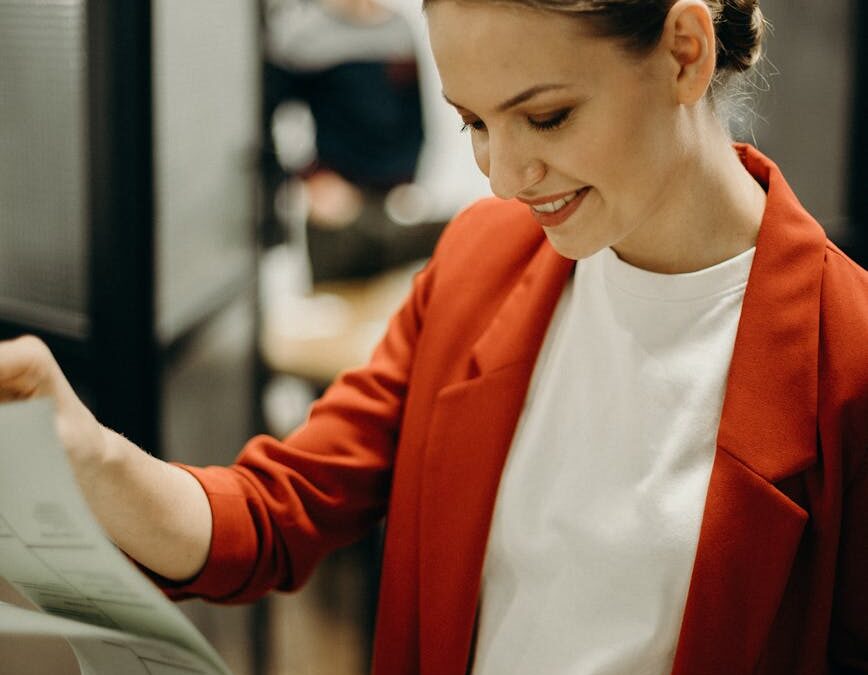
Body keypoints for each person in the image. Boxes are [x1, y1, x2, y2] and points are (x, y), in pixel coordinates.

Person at [1, 0, 866, 673]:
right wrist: (88, 451)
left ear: (685, 51)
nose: (503, 178)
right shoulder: (481, 266)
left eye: (548, 117)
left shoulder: (847, 357)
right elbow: (276, 511)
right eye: (475, 124)